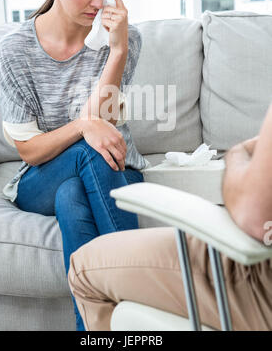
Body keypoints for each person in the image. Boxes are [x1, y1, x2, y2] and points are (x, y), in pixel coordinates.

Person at [0, 0, 149, 331]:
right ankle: (141, 303)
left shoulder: (122, 39)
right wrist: (83, 126)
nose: (98, 2)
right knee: (82, 155)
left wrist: (117, 50)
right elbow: (29, 150)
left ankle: (94, 332)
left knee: (72, 197)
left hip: (112, 166)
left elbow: (108, 123)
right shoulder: (15, 50)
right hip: (41, 175)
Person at [68, 104, 272, 331]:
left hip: (260, 283)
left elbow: (256, 216)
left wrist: (237, 156)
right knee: (69, 194)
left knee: (82, 269)